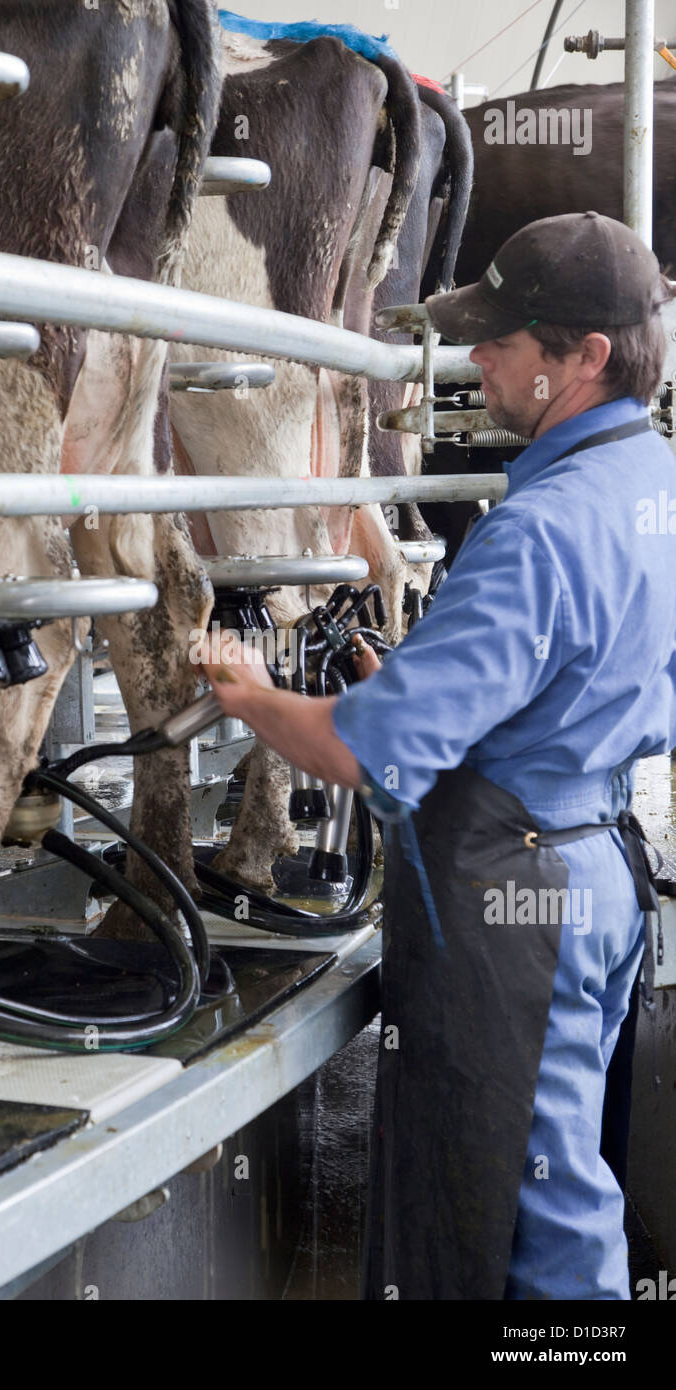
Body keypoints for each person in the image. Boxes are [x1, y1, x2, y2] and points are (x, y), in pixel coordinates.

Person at [199, 211, 676, 1300]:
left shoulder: (538, 527)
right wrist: (422, 683)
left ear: (583, 357)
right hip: (595, 859)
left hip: (515, 900)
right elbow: (561, 676)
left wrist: (249, 691)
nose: (475, 358)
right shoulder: (643, 478)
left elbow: (360, 756)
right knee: (545, 1167)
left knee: (529, 1208)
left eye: (501, 340)